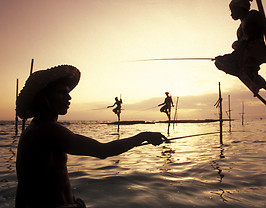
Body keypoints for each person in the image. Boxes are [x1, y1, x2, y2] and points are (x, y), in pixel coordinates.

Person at [15, 65, 167, 208]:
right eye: (62, 92)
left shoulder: (38, 128)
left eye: (68, 93)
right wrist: (143, 136)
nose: (69, 98)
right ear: (43, 98)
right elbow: (103, 151)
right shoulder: (47, 130)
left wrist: (71, 202)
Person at [215, 0, 266, 105]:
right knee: (220, 62)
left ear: (241, 8)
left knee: (245, 68)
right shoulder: (239, 29)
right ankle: (258, 84)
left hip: (256, 49)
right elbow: (240, 46)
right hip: (243, 53)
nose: (231, 14)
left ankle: (264, 87)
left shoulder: (253, 15)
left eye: (233, 10)